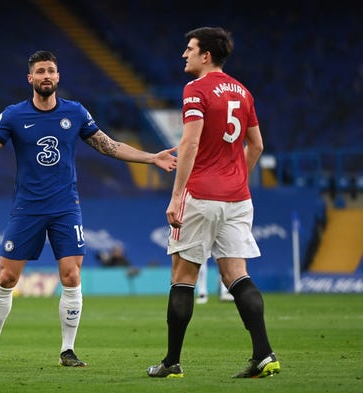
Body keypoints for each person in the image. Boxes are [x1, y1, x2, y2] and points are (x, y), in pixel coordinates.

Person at [0, 50, 177, 368]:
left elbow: (109, 145)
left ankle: (68, 350)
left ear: (58, 77)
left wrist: (152, 157)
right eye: (40, 71)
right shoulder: (14, 115)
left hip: (66, 208)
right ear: (30, 78)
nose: (46, 75)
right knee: (6, 277)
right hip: (27, 208)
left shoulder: (76, 113)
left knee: (71, 276)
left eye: (51, 71)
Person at [146, 27, 280, 379]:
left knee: (183, 276)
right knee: (237, 275)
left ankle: (171, 362)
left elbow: (188, 144)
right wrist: (238, 178)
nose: (184, 54)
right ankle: (264, 354)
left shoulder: (196, 89)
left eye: (189, 48)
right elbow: (258, 145)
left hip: (202, 195)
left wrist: (176, 196)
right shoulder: (243, 91)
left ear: (206, 55)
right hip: (238, 198)